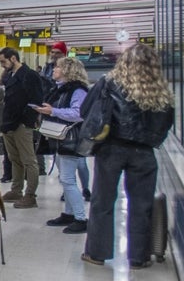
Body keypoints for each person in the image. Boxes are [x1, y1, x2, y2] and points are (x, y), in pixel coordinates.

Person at [82, 43, 174, 269]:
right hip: (144, 152)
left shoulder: (109, 82)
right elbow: (166, 121)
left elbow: (86, 109)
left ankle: (97, 253)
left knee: (102, 201)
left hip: (112, 148)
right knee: (141, 204)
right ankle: (138, 256)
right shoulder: (160, 89)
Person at [33, 56, 91, 234]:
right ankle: (69, 213)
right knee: (65, 179)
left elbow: (78, 113)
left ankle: (81, 218)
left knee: (68, 179)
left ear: (67, 71)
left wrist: (53, 111)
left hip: (71, 140)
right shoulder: (60, 90)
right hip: (60, 140)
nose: (54, 70)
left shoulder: (78, 91)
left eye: (58, 67)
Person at [0, 47, 44, 209]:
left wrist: (26, 121)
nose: (2, 65)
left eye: (3, 61)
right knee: (14, 158)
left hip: (22, 124)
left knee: (29, 160)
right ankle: (16, 190)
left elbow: (36, 100)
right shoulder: (9, 76)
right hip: (9, 123)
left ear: (13, 58)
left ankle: (30, 194)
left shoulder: (30, 75)